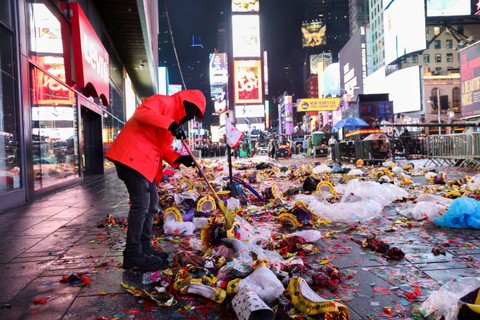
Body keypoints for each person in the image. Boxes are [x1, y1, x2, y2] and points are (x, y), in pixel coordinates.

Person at [105, 90, 206, 270]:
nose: (190, 118)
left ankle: (144, 247)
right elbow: (142, 113)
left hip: (143, 162)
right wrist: (171, 123)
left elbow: (162, 147)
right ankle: (133, 253)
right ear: (186, 103)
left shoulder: (171, 121)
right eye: (191, 112)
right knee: (141, 203)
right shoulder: (163, 102)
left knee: (152, 204)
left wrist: (179, 158)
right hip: (133, 157)